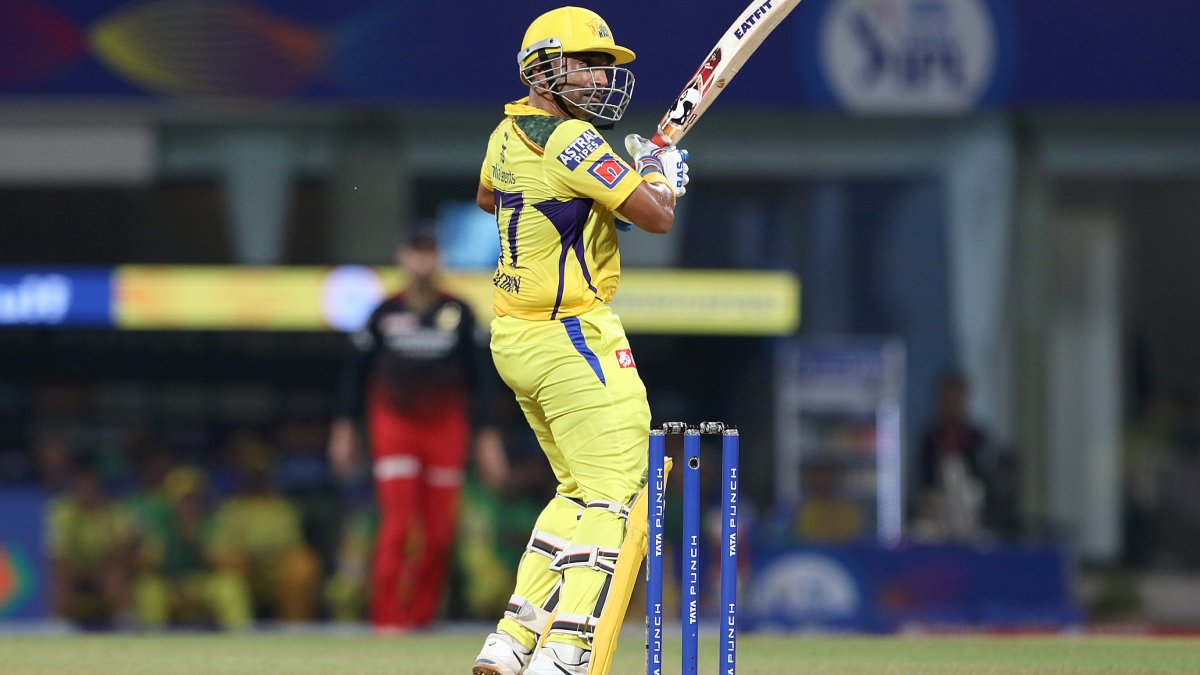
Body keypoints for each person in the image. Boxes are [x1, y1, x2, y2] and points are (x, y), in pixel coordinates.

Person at [471, 7, 689, 674]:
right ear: (542, 69)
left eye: (603, 66)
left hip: (514, 338)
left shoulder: (505, 132)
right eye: (586, 64)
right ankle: (566, 647)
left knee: (575, 491)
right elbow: (657, 218)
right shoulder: (573, 140)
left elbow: (490, 199)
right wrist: (658, 175)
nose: (599, 77)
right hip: (572, 335)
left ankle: (513, 638)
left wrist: (586, 202)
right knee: (619, 492)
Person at [328, 227, 508, 632]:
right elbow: (354, 375)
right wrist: (343, 428)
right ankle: (388, 620)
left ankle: (421, 618)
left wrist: (488, 436)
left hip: (445, 430)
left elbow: (481, 380)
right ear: (402, 258)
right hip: (394, 426)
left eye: (430, 252)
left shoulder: (459, 312)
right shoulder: (383, 312)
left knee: (440, 532)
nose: (422, 261)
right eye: (415, 252)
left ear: (439, 258)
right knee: (398, 524)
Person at [915, 371, 990, 542]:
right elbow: (925, 483)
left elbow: (983, 482)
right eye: (948, 402)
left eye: (956, 402)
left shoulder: (977, 439)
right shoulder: (931, 439)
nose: (952, 408)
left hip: (972, 516)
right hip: (937, 516)